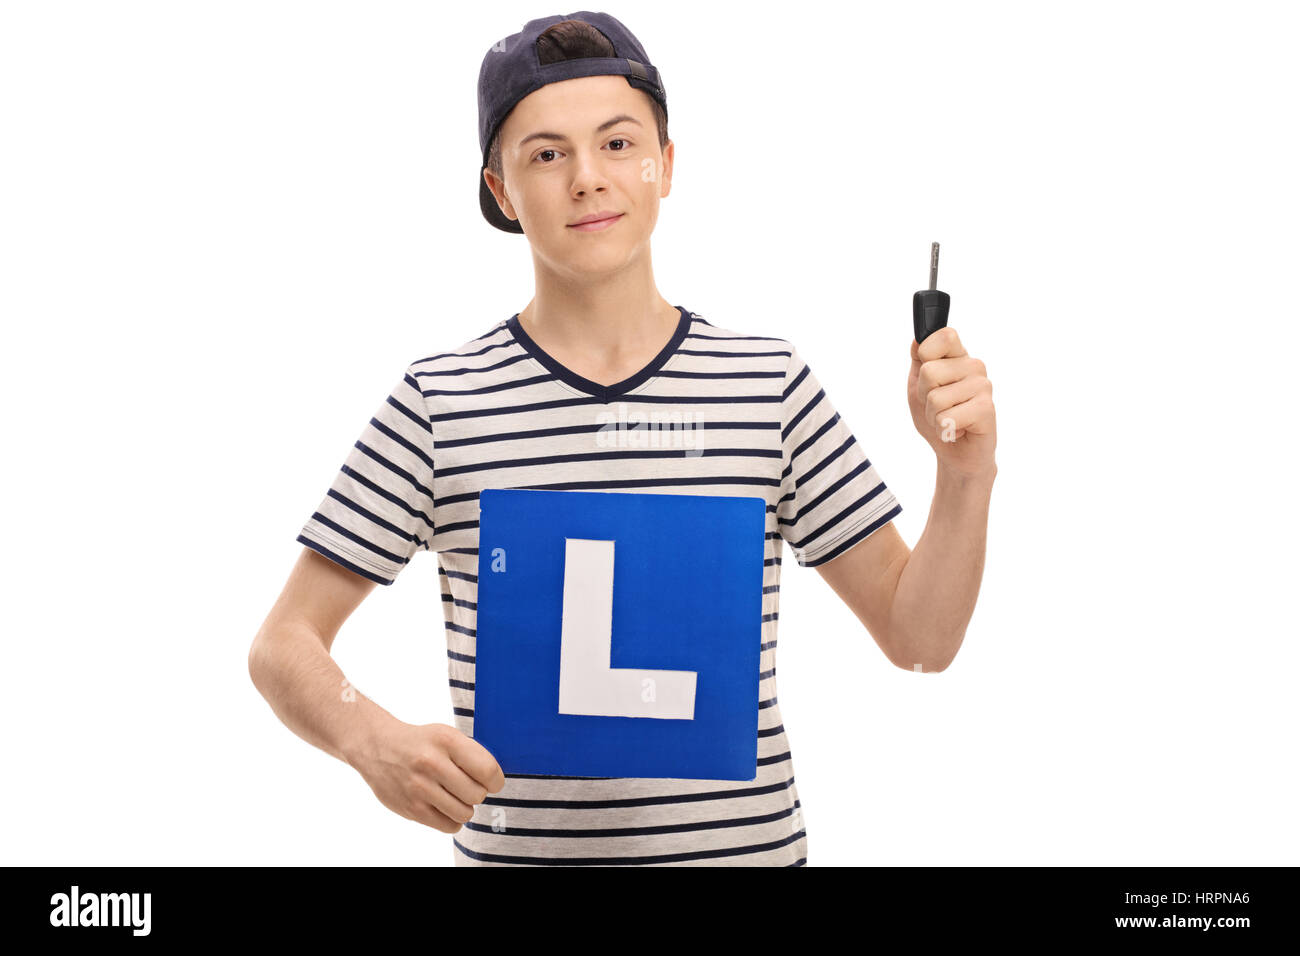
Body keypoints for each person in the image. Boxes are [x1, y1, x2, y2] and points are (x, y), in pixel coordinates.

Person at [248, 12, 997, 867]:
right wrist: (369, 739)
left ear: (666, 165)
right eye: (545, 153)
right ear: (499, 190)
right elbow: (282, 644)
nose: (587, 179)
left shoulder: (769, 386)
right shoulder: (438, 402)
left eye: (616, 143)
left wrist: (964, 473)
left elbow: (921, 641)